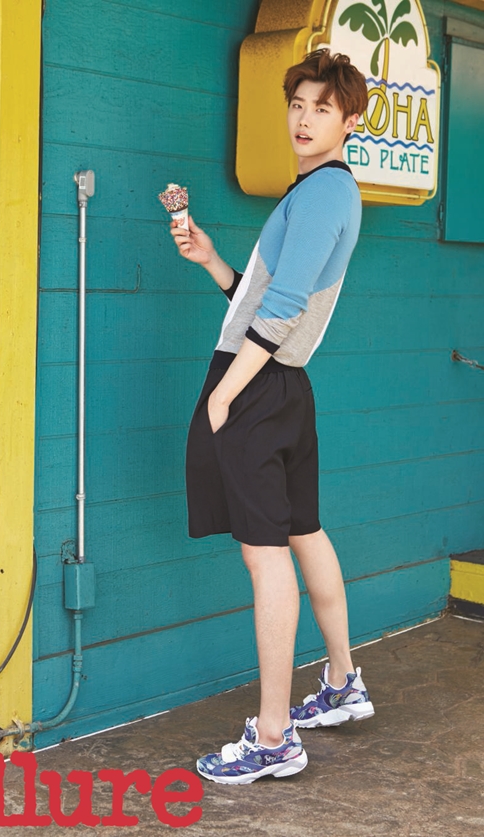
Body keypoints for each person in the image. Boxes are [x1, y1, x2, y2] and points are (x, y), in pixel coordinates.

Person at [169, 49, 373, 785]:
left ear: (350, 121)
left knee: (266, 556)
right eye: (298, 104)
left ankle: (275, 736)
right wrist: (215, 263)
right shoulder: (326, 191)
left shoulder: (322, 193)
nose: (304, 119)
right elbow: (271, 300)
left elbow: (283, 309)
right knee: (302, 531)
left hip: (257, 386)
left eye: (323, 108)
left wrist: (225, 393)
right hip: (286, 385)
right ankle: (343, 682)